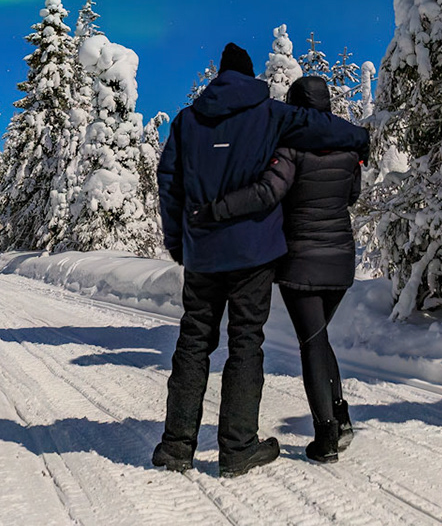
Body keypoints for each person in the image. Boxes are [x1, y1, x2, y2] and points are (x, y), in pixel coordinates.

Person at [153, 43, 371, 478]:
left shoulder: (187, 121)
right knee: (246, 343)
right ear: (250, 76)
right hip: (254, 252)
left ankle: (176, 446)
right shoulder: (270, 114)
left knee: (193, 342)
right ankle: (238, 448)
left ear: (218, 78)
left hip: (203, 254)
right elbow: (321, 128)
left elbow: (169, 184)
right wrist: (359, 138)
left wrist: (178, 243)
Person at [196, 75, 360, 462]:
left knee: (312, 341)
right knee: (318, 336)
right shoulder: (348, 146)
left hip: (300, 258)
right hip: (340, 257)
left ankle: (326, 437)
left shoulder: (289, 146)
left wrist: (220, 208)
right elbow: (352, 195)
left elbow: (268, 192)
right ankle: (340, 417)